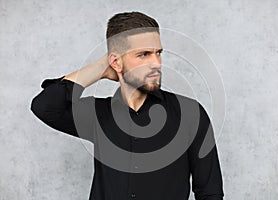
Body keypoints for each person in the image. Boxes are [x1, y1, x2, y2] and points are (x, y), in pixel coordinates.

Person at [31, 11, 224, 200]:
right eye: (143, 54)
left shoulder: (190, 114)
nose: (156, 63)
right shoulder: (97, 114)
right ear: (115, 61)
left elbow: (210, 193)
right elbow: (45, 106)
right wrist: (100, 68)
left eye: (158, 53)